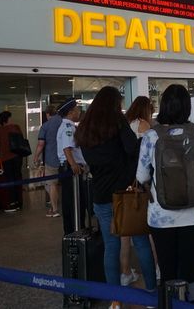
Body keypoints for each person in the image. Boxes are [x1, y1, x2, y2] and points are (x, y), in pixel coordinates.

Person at [77, 88, 157, 309]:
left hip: (101, 194)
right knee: (141, 242)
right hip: (127, 193)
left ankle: (115, 300)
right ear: (114, 103)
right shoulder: (118, 122)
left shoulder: (85, 128)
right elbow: (132, 148)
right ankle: (151, 295)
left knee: (110, 247)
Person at [137, 84, 194, 291]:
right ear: (186, 107)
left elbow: (142, 175)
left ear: (163, 106)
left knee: (167, 271)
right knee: (190, 270)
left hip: (160, 216)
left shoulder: (151, 137)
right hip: (193, 213)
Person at [122, 95, 156, 285]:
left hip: (127, 181)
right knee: (149, 231)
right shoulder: (144, 125)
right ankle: (156, 271)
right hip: (142, 182)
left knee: (126, 231)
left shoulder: (127, 123)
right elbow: (148, 156)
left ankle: (125, 272)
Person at [56, 98, 87, 235]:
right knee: (73, 203)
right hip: (71, 169)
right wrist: (73, 164)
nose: (79, 111)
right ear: (70, 112)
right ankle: (73, 233)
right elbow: (67, 148)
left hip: (70, 167)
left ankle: (74, 231)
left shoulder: (69, 126)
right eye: (76, 109)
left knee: (73, 202)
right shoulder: (68, 127)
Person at [0, 111, 25, 212]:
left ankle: (11, 203)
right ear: (7, 119)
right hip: (17, 157)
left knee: (9, 180)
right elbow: (21, 139)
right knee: (17, 177)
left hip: (6, 158)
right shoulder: (16, 127)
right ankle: (19, 202)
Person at [34, 104, 62, 217]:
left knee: (52, 184)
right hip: (66, 158)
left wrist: (36, 157)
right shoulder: (63, 122)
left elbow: (41, 144)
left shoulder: (45, 126)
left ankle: (55, 210)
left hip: (51, 158)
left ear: (47, 114)